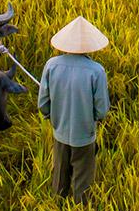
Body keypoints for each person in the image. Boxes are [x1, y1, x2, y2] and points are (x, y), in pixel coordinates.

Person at [39, 15, 112, 201]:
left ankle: (58, 205)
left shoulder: (51, 65)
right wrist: (93, 119)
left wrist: (52, 116)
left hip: (59, 130)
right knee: (83, 176)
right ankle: (81, 210)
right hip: (85, 134)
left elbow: (43, 102)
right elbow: (102, 109)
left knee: (60, 172)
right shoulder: (96, 71)